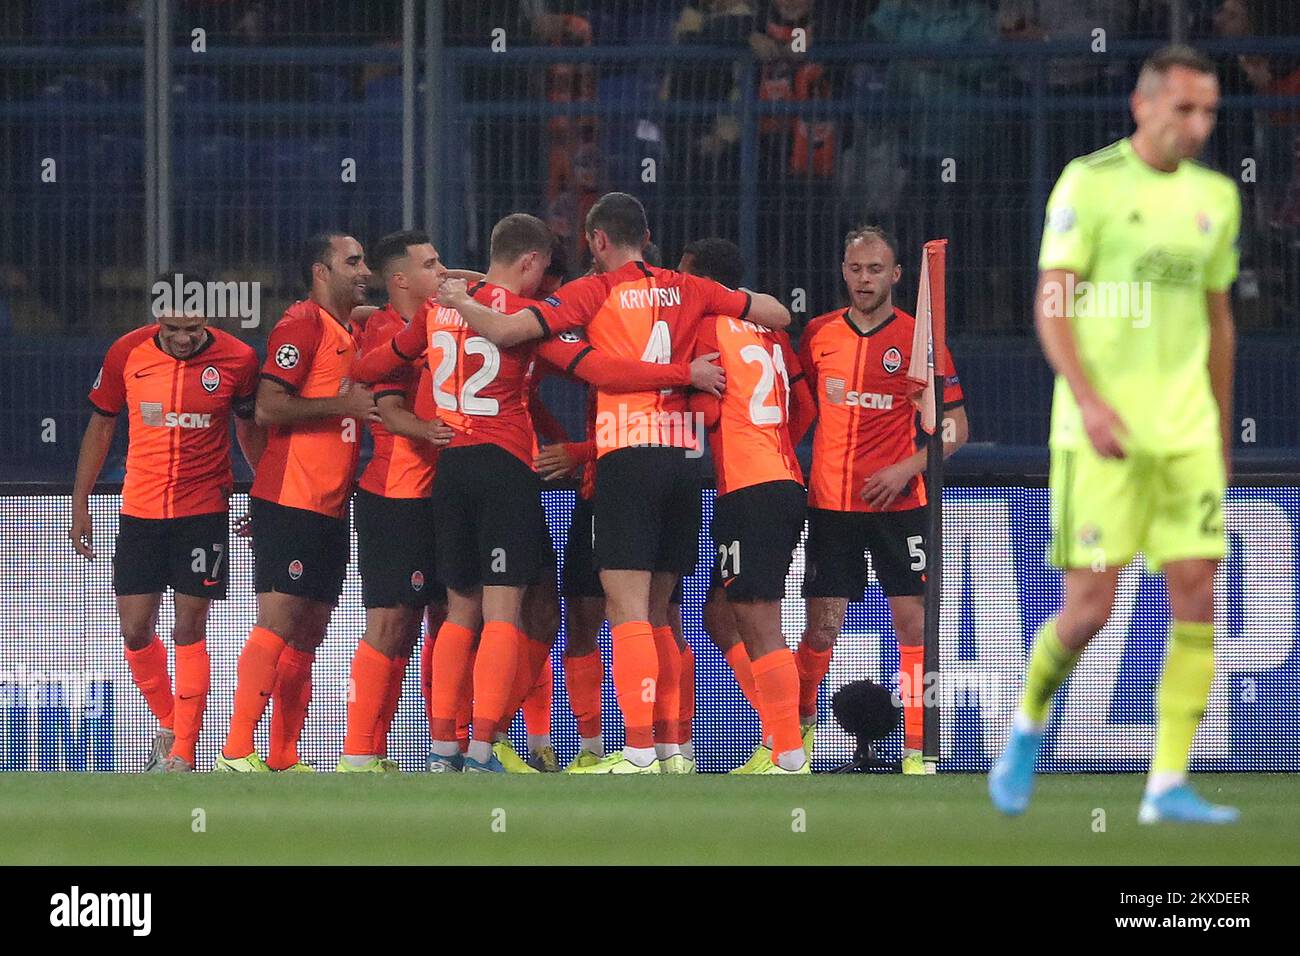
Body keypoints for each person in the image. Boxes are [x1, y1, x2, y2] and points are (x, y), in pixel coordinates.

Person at [436, 191, 790, 773]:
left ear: (598, 241)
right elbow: (777, 313)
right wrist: (699, 351)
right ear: (646, 237)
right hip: (685, 464)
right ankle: (678, 749)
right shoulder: (691, 289)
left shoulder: (593, 293)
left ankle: (634, 749)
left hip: (622, 462)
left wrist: (457, 298)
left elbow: (506, 332)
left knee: (620, 613)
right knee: (660, 615)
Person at [990, 46, 1242, 824]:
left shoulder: (1217, 198)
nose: (1198, 126)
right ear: (1144, 105)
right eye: (1184, 109)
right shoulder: (1089, 183)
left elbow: (1217, 321)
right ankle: (1030, 718)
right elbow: (1052, 305)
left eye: (1208, 112)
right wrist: (1091, 402)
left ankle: (1166, 784)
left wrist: (1220, 433)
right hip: (1098, 432)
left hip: (1186, 435)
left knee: (1197, 594)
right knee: (1090, 609)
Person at [71, 279, 262, 772]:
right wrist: (80, 502)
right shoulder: (126, 353)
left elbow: (248, 428)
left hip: (203, 511)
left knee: (189, 625)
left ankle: (183, 754)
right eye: (172, 328)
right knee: (135, 631)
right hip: (139, 511)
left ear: (208, 320)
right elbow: (101, 424)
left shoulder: (238, 359)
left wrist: (264, 490)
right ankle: (173, 724)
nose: (181, 338)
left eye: (192, 329)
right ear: (158, 317)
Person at [797, 225, 968, 775]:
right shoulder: (819, 334)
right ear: (843, 272)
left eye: (875, 270)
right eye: (855, 269)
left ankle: (920, 748)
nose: (864, 279)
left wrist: (906, 468)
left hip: (899, 508)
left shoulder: (921, 341)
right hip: (831, 506)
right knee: (821, 627)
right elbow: (798, 411)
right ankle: (791, 740)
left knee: (916, 625)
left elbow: (956, 428)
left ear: (896, 275)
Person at [216, 233, 378, 772]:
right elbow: (266, 406)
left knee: (310, 632)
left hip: (330, 504)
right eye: (352, 262)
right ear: (320, 272)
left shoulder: (347, 327)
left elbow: (398, 303)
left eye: (366, 261)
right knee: (279, 620)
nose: (364, 269)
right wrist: (343, 405)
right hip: (293, 497)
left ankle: (284, 755)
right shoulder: (302, 325)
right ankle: (236, 751)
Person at [683, 238, 817, 775]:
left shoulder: (705, 327)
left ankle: (787, 752)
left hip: (749, 485)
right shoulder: (770, 330)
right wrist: (775, 440)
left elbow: (698, 404)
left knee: (760, 619)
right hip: (782, 478)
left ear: (702, 282)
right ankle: (779, 732)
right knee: (722, 610)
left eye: (684, 276)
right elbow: (804, 406)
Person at [337, 230, 453, 773]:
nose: (443, 270)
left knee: (445, 619)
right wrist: (430, 431)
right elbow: (386, 408)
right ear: (401, 279)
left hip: (439, 494)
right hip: (396, 494)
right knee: (391, 623)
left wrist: (457, 280)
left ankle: (442, 747)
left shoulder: (443, 316)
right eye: (431, 264)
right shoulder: (385, 328)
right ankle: (359, 753)